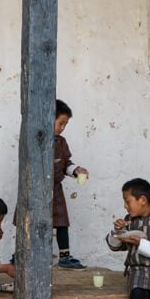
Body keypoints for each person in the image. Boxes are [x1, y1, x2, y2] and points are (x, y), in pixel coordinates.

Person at [52, 99, 89, 269]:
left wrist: (76, 170)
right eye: (60, 123)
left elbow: (66, 163)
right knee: (29, 222)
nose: (62, 128)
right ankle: (20, 254)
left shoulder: (61, 142)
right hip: (35, 190)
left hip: (55, 188)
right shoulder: (34, 139)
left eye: (65, 124)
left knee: (61, 223)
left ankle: (64, 257)